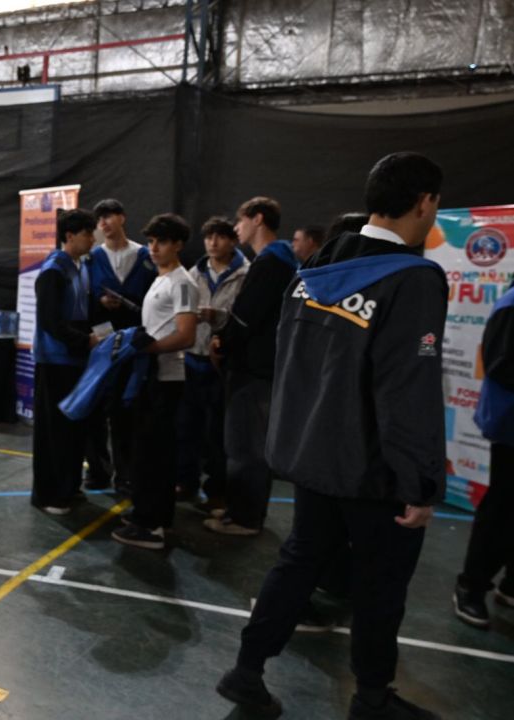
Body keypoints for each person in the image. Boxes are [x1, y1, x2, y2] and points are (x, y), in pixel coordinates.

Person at [216, 152, 446, 720]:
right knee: (380, 584)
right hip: (372, 466)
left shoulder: (315, 268)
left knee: (299, 561)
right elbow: (406, 389)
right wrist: (419, 482)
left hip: (310, 454)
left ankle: (247, 669)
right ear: (424, 202)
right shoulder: (414, 279)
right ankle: (371, 696)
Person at [204, 197, 298, 536]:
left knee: (246, 446)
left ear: (258, 219)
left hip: (254, 369)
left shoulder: (271, 262)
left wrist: (222, 341)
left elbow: (246, 316)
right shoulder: (280, 260)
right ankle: (242, 511)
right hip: (260, 366)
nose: (236, 228)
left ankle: (245, 518)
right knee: (247, 444)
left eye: (240, 221)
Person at [111, 213, 197, 549]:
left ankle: (150, 526)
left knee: (154, 452)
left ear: (178, 244)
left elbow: (186, 335)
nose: (154, 248)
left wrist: (149, 349)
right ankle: (152, 514)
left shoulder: (182, 282)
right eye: (150, 241)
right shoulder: (161, 279)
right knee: (148, 450)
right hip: (150, 374)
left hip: (165, 377)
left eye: (161, 241)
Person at [86, 198, 158, 493]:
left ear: (122, 218)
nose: (104, 223)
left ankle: (125, 474)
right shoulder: (92, 258)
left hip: (134, 344)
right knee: (94, 409)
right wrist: (100, 303)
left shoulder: (144, 255)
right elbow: (84, 299)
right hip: (100, 343)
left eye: (109, 216)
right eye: (100, 218)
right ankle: (98, 470)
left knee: (125, 412)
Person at [176, 217, 248, 510]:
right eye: (208, 237)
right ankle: (186, 482)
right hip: (192, 358)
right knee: (186, 428)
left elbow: (247, 318)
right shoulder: (194, 273)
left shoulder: (246, 274)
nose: (213, 243)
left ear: (233, 240)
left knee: (218, 433)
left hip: (223, 363)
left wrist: (217, 317)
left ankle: (217, 490)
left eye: (220, 237)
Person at [453, 281, 514, 628]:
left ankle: (510, 584)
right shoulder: (511, 304)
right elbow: (501, 365)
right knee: (502, 507)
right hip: (510, 424)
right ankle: (471, 586)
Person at [31, 209, 98, 514]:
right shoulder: (53, 270)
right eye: (87, 233)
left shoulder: (79, 267)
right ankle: (49, 495)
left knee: (73, 429)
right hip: (55, 361)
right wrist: (84, 340)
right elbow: (49, 321)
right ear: (69, 236)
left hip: (75, 361)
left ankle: (69, 487)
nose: (93, 239)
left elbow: (77, 311)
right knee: (53, 431)